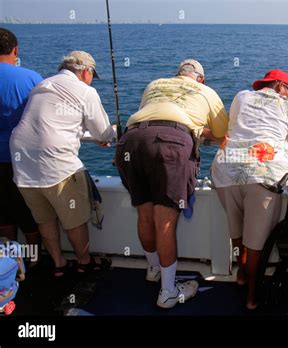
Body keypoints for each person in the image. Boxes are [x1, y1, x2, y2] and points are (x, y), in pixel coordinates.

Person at [115, 59, 228, 308]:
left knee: (144, 213)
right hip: (170, 143)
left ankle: (153, 269)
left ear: (177, 74)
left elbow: (151, 116)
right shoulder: (206, 91)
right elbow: (222, 133)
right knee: (164, 221)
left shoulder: (154, 84)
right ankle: (167, 292)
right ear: (200, 79)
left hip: (130, 140)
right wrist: (200, 130)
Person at [10, 51, 116, 277]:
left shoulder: (42, 85)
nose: (91, 80)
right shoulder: (86, 91)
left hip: (21, 161)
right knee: (74, 219)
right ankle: (84, 262)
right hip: (55, 162)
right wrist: (109, 135)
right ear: (86, 71)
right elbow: (103, 133)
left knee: (45, 218)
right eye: (92, 75)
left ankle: (58, 264)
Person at [211, 69, 288, 310]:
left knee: (237, 230)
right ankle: (251, 297)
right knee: (255, 246)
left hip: (227, 169)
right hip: (264, 173)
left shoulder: (242, 96)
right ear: (280, 85)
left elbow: (234, 127)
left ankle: (241, 274)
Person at [0, 28, 43, 268]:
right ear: (15, 50)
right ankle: (33, 260)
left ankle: (9, 263)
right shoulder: (31, 79)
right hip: (21, 159)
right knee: (27, 212)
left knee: (3, 213)